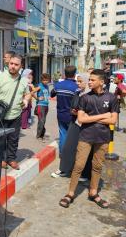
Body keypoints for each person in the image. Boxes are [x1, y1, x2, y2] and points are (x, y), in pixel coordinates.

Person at [59, 69, 119, 209]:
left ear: (102, 82)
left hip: (103, 138)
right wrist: (103, 116)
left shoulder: (111, 98)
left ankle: (93, 192)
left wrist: (90, 118)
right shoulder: (85, 98)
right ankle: (70, 193)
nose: (89, 82)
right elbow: (81, 119)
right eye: (89, 79)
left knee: (97, 166)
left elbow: (113, 120)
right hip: (85, 136)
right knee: (79, 166)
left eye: (92, 80)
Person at [0, 54, 31, 170]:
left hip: (16, 115)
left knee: (13, 139)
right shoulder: (0, 78)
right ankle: (1, 159)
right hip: (0, 115)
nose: (13, 66)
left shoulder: (23, 80)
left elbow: (27, 93)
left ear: (21, 66)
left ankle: (11, 159)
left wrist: (26, 100)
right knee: (0, 139)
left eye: (16, 64)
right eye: (11, 63)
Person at [51, 73, 92, 180]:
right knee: (68, 147)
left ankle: (85, 174)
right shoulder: (78, 92)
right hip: (75, 123)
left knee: (85, 150)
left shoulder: (92, 95)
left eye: (80, 81)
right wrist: (74, 111)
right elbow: (72, 107)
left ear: (86, 82)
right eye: (77, 81)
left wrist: (80, 113)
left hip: (87, 126)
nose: (77, 83)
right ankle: (64, 169)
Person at [50, 65, 78, 155]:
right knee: (72, 136)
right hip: (72, 116)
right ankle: (70, 155)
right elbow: (78, 103)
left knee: (63, 134)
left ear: (64, 74)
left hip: (60, 114)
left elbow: (52, 94)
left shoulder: (58, 85)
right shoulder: (76, 87)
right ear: (74, 74)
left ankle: (62, 154)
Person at [34, 73, 51, 141]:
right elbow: (32, 92)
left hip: (46, 106)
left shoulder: (47, 86)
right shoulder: (40, 86)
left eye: (47, 80)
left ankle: (41, 134)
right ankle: (39, 136)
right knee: (41, 121)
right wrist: (37, 98)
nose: (46, 81)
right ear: (41, 80)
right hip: (40, 106)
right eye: (44, 80)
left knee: (43, 121)